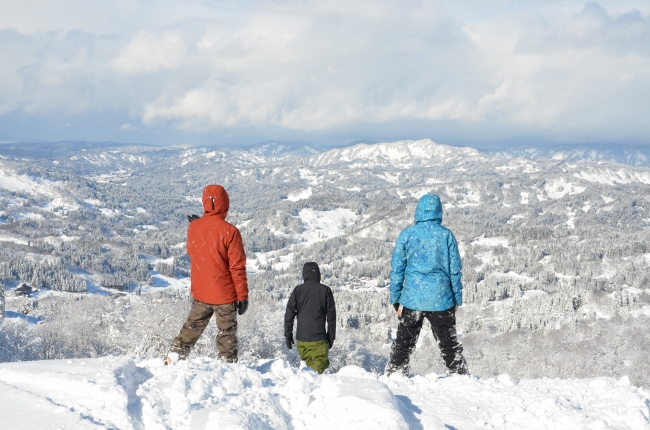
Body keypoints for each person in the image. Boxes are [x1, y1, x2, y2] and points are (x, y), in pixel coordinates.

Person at [385, 193, 468, 376]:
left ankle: (395, 376)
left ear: (419, 211)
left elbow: (397, 269)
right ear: (439, 211)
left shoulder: (407, 235)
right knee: (449, 344)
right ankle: (459, 377)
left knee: (403, 344)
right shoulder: (446, 235)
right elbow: (454, 270)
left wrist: (395, 297)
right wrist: (456, 298)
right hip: (442, 299)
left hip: (412, 298)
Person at [165, 185, 249, 365]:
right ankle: (228, 368)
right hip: (225, 295)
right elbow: (237, 267)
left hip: (201, 292)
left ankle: (173, 357)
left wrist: (197, 225)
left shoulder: (193, 228)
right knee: (227, 335)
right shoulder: (231, 232)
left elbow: (195, 252)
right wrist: (242, 296)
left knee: (191, 329)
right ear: (225, 203)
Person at [284, 262, 336, 374]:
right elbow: (331, 318)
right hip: (319, 340)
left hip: (302, 341)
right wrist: (331, 337)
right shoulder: (325, 291)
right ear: (318, 274)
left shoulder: (298, 291)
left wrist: (288, 335)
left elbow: (289, 314)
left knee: (307, 371)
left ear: (304, 274)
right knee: (317, 373)